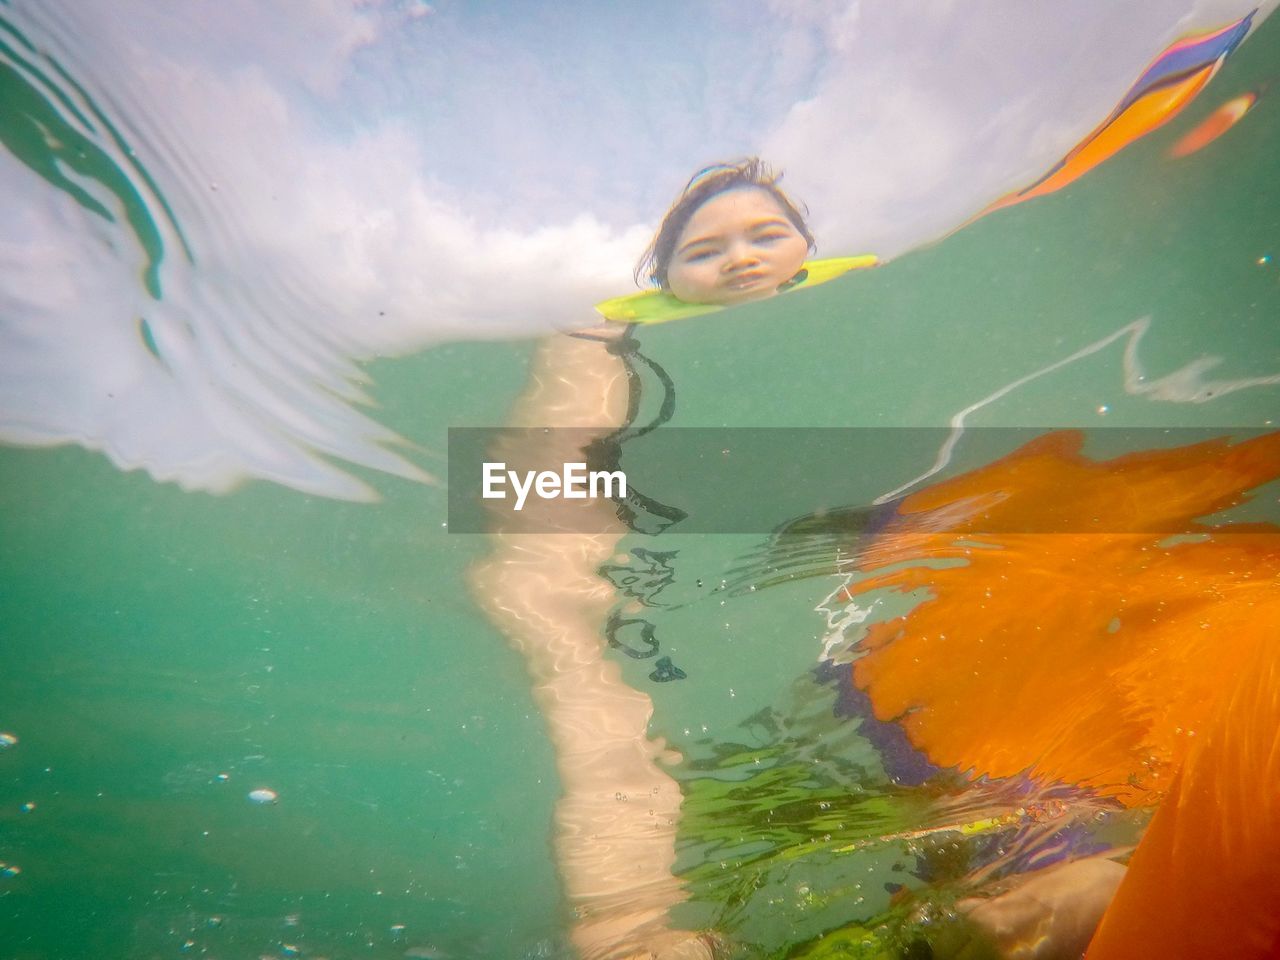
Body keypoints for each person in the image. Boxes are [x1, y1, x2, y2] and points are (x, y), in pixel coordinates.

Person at [468, 159, 866, 960]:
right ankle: (632, 940)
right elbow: (544, 467)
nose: (741, 258)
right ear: (665, 280)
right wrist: (556, 578)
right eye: (705, 249)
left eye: (766, 234)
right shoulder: (599, 343)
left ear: (809, 249)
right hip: (580, 568)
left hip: (746, 571)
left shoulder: (856, 306)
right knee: (611, 741)